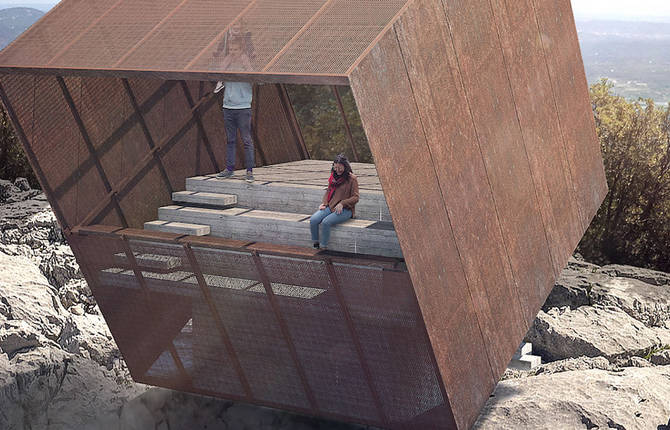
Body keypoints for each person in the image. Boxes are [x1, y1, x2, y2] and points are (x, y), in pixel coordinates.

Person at [213, 36, 255, 182]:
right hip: (228, 107)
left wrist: (244, 63)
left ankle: (249, 171)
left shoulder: (245, 63)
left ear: (241, 50)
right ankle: (229, 168)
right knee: (230, 140)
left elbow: (253, 76)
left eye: (236, 49)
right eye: (230, 49)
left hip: (243, 107)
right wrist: (228, 60)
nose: (233, 52)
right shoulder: (228, 63)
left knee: (246, 139)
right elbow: (219, 73)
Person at [310, 154, 359, 250]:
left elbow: (356, 197)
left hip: (346, 209)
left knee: (326, 222)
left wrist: (342, 203)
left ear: (345, 166)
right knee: (313, 220)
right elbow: (328, 191)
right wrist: (324, 203)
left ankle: (323, 247)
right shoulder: (333, 177)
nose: (337, 170)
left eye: (340, 167)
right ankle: (315, 243)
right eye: (335, 167)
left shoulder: (352, 179)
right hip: (330, 206)